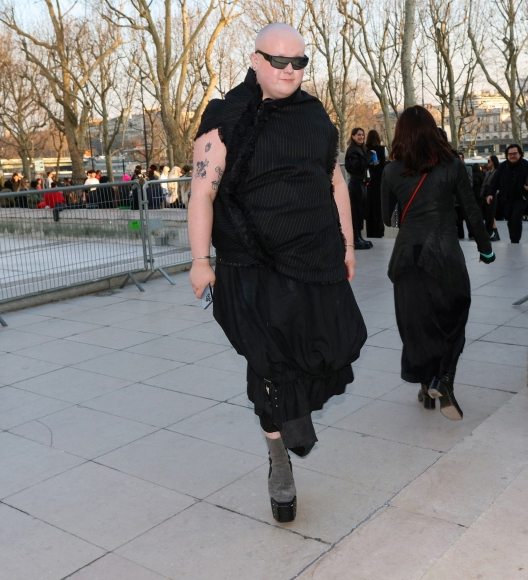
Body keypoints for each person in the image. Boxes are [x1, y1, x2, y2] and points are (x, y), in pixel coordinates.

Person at [188, 23, 367, 521]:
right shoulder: (229, 119)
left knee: (335, 343)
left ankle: (294, 414)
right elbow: (201, 192)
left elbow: (335, 182)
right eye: (278, 61)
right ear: (256, 60)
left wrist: (347, 245)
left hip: (316, 260)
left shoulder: (314, 118)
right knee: (269, 366)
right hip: (253, 266)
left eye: (299, 63)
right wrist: (201, 260)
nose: (289, 71)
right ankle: (278, 461)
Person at [381, 106, 494, 421]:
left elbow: (384, 219)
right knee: (454, 317)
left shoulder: (390, 171)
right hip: (443, 253)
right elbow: (472, 211)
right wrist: (486, 249)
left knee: (417, 324)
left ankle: (425, 389)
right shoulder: (453, 166)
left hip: (406, 257)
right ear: (432, 130)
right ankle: (442, 381)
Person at [489, 144, 528, 243]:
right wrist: (490, 194)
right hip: (506, 198)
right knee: (510, 219)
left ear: (520, 154)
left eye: (515, 153)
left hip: (521, 197)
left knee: (516, 217)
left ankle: (515, 240)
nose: (512, 156)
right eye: (510, 154)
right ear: (507, 155)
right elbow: (494, 182)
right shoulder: (502, 167)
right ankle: (513, 238)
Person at [345, 127, 372, 249]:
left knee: (360, 211)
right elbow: (357, 166)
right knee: (355, 211)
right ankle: (355, 238)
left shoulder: (359, 149)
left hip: (361, 182)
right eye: (359, 135)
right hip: (356, 183)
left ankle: (359, 236)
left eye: (362, 135)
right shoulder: (353, 150)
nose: (361, 137)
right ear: (353, 136)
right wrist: (369, 156)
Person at [365, 129, 386, 238]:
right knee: (378, 208)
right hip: (378, 182)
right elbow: (383, 166)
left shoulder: (365, 150)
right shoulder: (381, 149)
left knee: (369, 208)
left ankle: (370, 232)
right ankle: (379, 232)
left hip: (368, 182)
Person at [481, 155, 500, 239]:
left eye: (489, 161)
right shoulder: (488, 172)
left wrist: (496, 192)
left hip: (492, 194)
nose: (487, 163)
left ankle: (488, 233)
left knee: (490, 215)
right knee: (489, 215)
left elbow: (499, 184)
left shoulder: (497, 172)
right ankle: (494, 233)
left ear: (493, 162)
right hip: (485, 194)